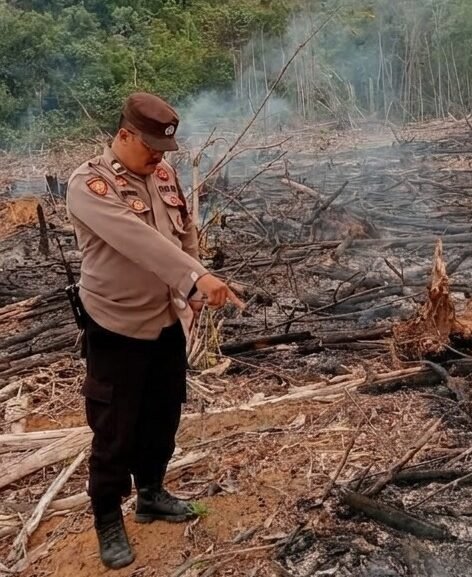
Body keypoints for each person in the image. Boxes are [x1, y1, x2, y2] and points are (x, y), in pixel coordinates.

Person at [65, 92, 243, 569]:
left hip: (166, 318)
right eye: (151, 147)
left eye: (165, 149)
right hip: (116, 324)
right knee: (114, 430)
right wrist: (196, 277)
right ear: (125, 135)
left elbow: (183, 231)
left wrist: (193, 288)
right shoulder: (89, 185)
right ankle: (107, 518)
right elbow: (139, 240)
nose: (159, 158)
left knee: (162, 415)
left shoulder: (162, 174)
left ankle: (151, 493)